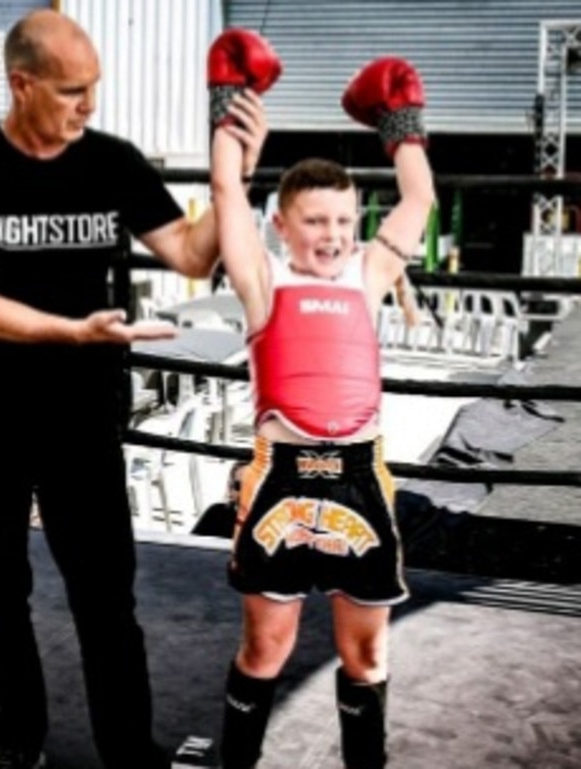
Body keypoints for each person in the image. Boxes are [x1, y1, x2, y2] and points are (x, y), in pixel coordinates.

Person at [0, 10, 276, 769]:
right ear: (22, 85)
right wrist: (74, 330)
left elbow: (187, 253)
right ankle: (20, 736)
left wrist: (231, 175)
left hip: (82, 415)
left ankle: (127, 751)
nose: (89, 106)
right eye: (72, 91)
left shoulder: (111, 162)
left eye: (95, 90)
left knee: (106, 598)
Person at [209, 47, 436, 769]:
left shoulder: (368, 275)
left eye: (344, 219)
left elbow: (419, 201)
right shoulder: (262, 281)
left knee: (365, 651)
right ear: (282, 224)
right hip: (282, 480)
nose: (334, 235)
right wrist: (229, 109)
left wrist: (400, 121)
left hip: (360, 477)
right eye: (316, 221)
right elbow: (222, 192)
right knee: (266, 646)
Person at [192, 461, 246, 538]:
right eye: (238, 485)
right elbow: (192, 546)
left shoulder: (267, 521)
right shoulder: (217, 514)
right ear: (231, 488)